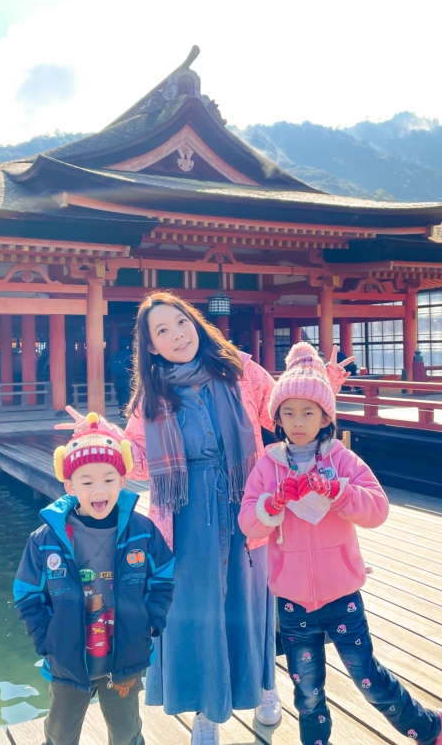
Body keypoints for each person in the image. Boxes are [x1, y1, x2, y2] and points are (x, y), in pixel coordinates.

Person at [122, 293, 350, 745]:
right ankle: (207, 709)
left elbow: (280, 407)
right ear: (150, 347)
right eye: (161, 331)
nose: (176, 335)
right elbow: (140, 461)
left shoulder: (238, 367)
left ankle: (264, 684)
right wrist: (109, 443)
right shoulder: (151, 397)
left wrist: (320, 384)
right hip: (186, 514)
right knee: (196, 609)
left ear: (196, 322)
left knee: (251, 600)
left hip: (249, 501)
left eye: (180, 322)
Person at [238, 342, 442, 745]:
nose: (298, 421)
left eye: (308, 412)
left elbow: (377, 510)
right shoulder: (268, 465)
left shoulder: (341, 460)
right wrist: (273, 503)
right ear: (277, 417)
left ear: (326, 416)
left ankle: (428, 727)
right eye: (288, 412)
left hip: (342, 594)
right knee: (307, 693)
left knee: (367, 676)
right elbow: (249, 523)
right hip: (292, 600)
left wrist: (338, 493)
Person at [13, 412, 175, 745]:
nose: (98, 490)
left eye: (108, 479)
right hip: (69, 663)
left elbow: (163, 577)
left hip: (125, 659)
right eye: (86, 482)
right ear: (69, 485)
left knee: (127, 733)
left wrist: (151, 623)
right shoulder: (45, 539)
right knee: (59, 736)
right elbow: (27, 592)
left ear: (123, 479)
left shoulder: (142, 531)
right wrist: (47, 638)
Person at [111, 339, 134, 416]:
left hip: (117, 380)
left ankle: (120, 412)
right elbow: (134, 366)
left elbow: (109, 366)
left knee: (120, 396)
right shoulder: (129, 354)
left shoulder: (115, 355)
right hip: (126, 380)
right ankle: (125, 413)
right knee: (126, 397)